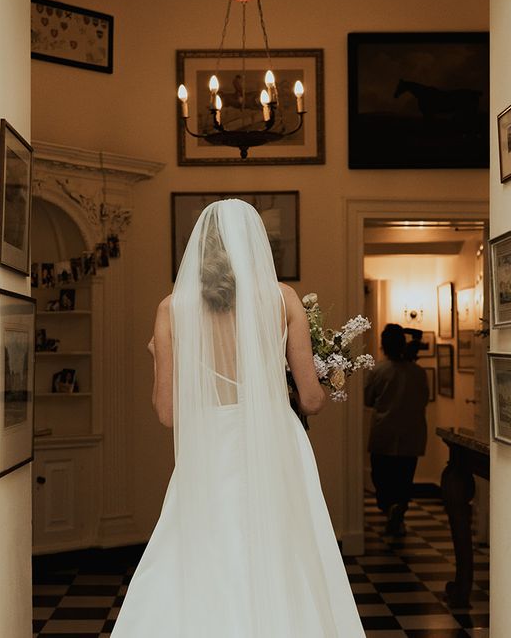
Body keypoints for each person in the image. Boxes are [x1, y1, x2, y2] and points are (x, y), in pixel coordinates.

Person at [111, 199, 364, 637]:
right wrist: (326, 371)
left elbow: (168, 414)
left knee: (203, 550)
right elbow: (311, 399)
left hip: (209, 447)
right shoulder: (281, 299)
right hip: (273, 445)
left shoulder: (172, 309)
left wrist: (159, 361)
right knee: (283, 551)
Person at [364, 324, 430, 536]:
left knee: (381, 476)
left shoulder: (378, 371)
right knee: (404, 477)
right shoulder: (418, 373)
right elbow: (424, 400)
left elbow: (368, 399)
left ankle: (388, 507)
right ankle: (398, 509)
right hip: (412, 433)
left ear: (384, 345)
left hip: (384, 431)